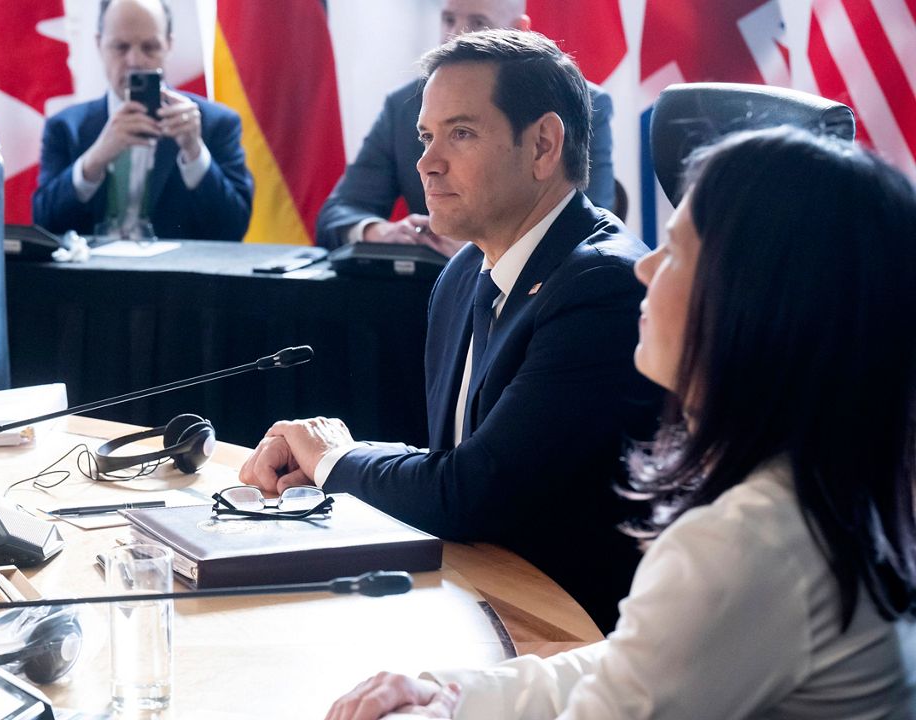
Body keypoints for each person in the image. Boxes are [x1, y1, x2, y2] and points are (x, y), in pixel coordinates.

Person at [324, 126, 916, 720]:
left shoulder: (746, 543)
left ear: (758, 301)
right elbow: (628, 665)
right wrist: (451, 695)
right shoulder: (813, 493)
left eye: (677, 251)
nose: (644, 267)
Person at [239, 30, 661, 632]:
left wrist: (336, 457)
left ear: (543, 145)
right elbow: (449, 469)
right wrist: (329, 461)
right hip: (472, 602)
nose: (426, 163)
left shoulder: (603, 287)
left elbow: (472, 494)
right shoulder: (463, 272)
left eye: (460, 134)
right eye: (426, 136)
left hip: (571, 636)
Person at [314, 0, 616, 252]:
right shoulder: (404, 104)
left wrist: (479, 251)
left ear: (520, 31)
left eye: (478, 22)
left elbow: (586, 217)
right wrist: (379, 233)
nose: (457, 34)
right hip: (421, 293)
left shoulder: (580, 102)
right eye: (448, 19)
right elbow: (337, 214)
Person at [32, 0, 253, 241]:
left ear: (169, 45)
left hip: (175, 275)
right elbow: (44, 223)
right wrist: (95, 159)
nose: (135, 61)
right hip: (93, 275)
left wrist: (194, 150)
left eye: (150, 47)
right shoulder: (66, 127)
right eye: (121, 47)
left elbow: (234, 228)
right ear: (99, 45)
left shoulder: (214, 123)